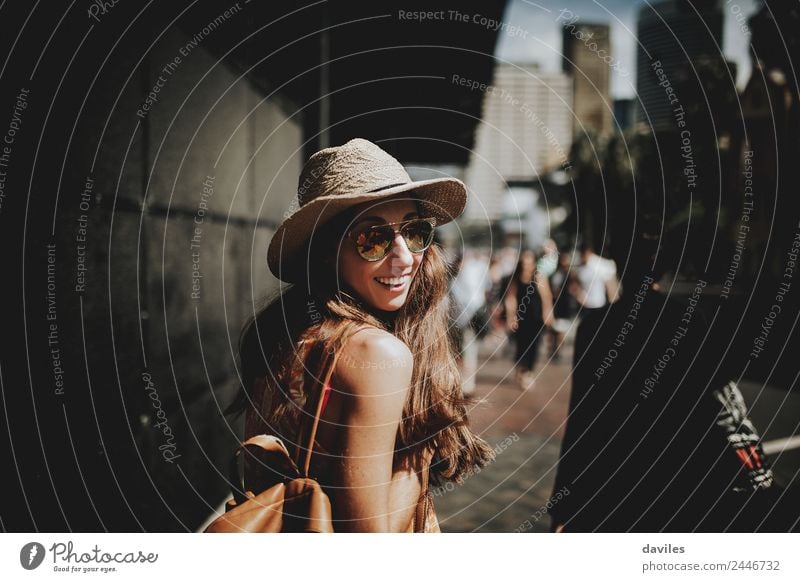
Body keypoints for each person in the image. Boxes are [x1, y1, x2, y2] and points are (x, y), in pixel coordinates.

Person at [229, 138, 494, 532]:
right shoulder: (379, 355)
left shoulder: (289, 335)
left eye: (415, 232)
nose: (404, 256)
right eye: (373, 239)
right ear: (325, 252)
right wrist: (423, 429)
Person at [504, 249, 554, 390]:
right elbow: (511, 298)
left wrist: (548, 313)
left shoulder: (539, 276)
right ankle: (521, 369)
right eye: (525, 262)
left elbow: (546, 296)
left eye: (529, 262)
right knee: (521, 346)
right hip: (521, 319)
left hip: (536, 318)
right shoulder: (516, 278)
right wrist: (511, 317)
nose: (527, 265)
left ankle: (528, 373)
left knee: (534, 346)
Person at [572, 241, 619, 314]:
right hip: (585, 306)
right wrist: (579, 295)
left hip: (599, 305)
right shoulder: (580, 267)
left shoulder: (599, 265)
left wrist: (613, 306)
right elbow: (574, 283)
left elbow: (611, 286)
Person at [548, 252, 579, 361]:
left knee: (561, 330)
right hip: (557, 305)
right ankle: (554, 349)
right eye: (564, 260)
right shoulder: (557, 274)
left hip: (565, 306)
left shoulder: (570, 274)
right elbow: (553, 289)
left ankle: (557, 350)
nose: (565, 263)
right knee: (555, 329)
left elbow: (574, 288)